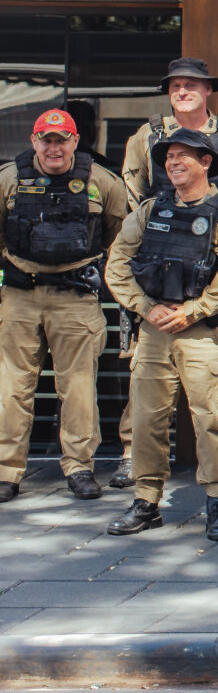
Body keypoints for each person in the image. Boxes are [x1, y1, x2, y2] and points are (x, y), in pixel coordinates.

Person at [116, 56, 218, 492]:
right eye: (176, 85)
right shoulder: (148, 135)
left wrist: (215, 223)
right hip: (158, 270)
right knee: (144, 378)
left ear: (208, 90)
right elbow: (132, 190)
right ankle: (132, 458)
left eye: (192, 85)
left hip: (212, 269)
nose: (182, 92)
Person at [103, 127, 218, 541]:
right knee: (147, 419)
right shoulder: (150, 210)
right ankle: (146, 502)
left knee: (210, 420)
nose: (173, 162)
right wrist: (146, 307)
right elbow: (117, 265)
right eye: (169, 157)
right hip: (154, 331)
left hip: (204, 333)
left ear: (206, 163)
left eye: (183, 155)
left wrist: (193, 311)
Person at [0, 109, 133, 504]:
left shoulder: (102, 182)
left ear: (75, 141)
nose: (54, 147)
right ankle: (7, 470)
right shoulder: (8, 180)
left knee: (77, 389)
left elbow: (118, 237)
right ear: (34, 141)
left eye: (62, 139)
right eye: (47, 139)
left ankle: (79, 467)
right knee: (12, 387)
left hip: (76, 298)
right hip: (21, 295)